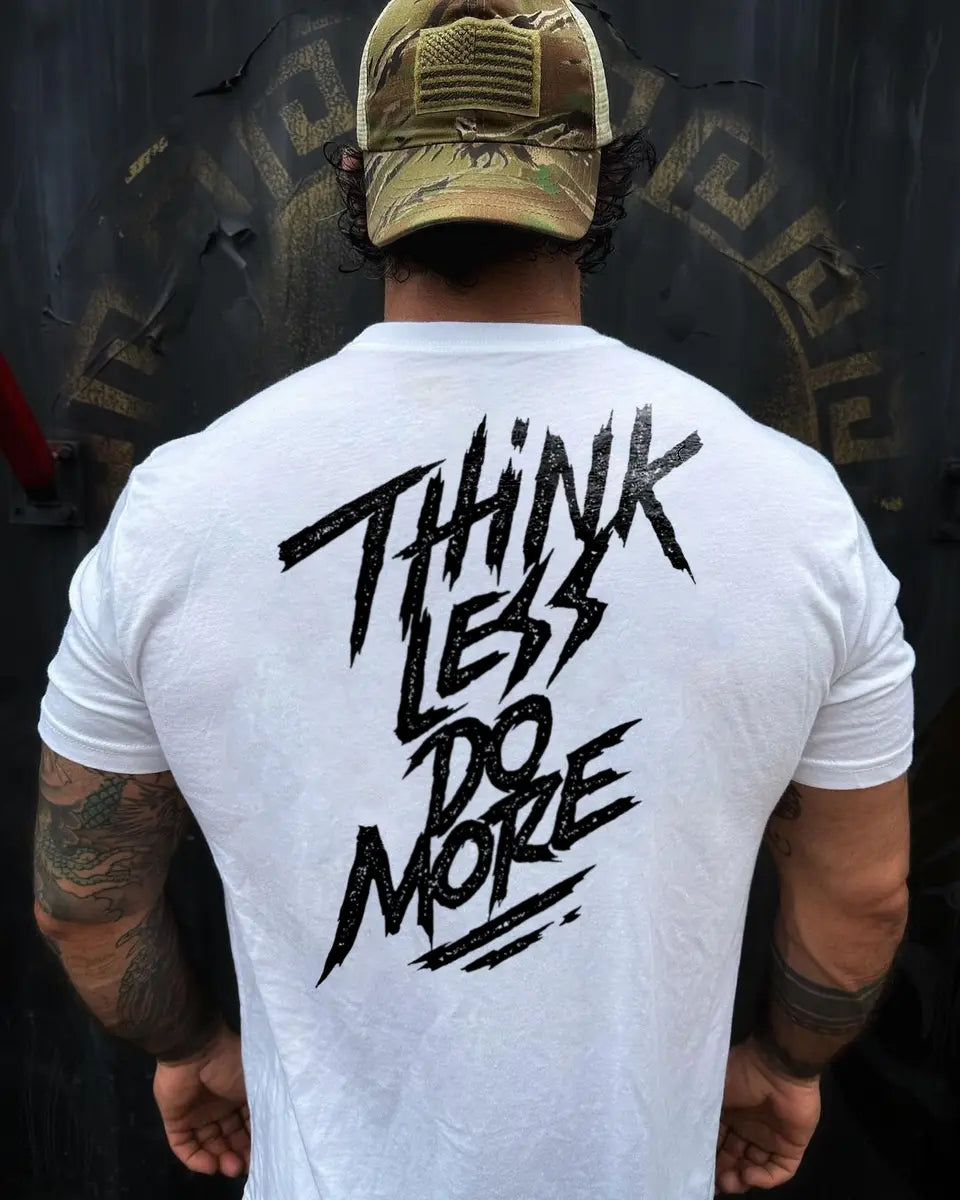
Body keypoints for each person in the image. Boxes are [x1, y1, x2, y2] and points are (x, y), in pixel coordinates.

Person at [32, 1, 913, 1197]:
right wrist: (785, 1064)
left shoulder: (177, 514)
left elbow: (85, 901)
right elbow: (860, 897)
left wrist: (189, 1047)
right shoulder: (795, 510)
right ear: (600, 185)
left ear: (359, 180)